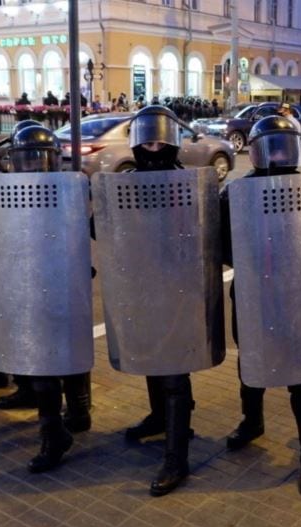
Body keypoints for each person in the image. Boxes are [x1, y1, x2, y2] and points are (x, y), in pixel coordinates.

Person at [221, 116, 301, 497]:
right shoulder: (236, 192)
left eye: (286, 145)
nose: (280, 154)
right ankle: (252, 421)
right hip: (251, 292)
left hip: (298, 294)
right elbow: (218, 241)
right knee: (250, 360)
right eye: (273, 146)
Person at [115, 105, 197, 496]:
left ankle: (176, 456)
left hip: (179, 285)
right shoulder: (127, 181)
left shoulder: (189, 182)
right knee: (151, 354)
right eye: (145, 142)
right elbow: (108, 227)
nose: (153, 149)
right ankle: (157, 417)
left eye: (160, 142)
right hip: (142, 283)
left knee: (175, 371)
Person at [2, 125, 92, 472]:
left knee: (64, 359)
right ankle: (54, 431)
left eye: (37, 158)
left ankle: (72, 419)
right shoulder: (6, 191)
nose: (31, 165)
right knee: (46, 365)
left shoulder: (72, 186)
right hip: (34, 284)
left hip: (65, 281)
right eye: (24, 159)